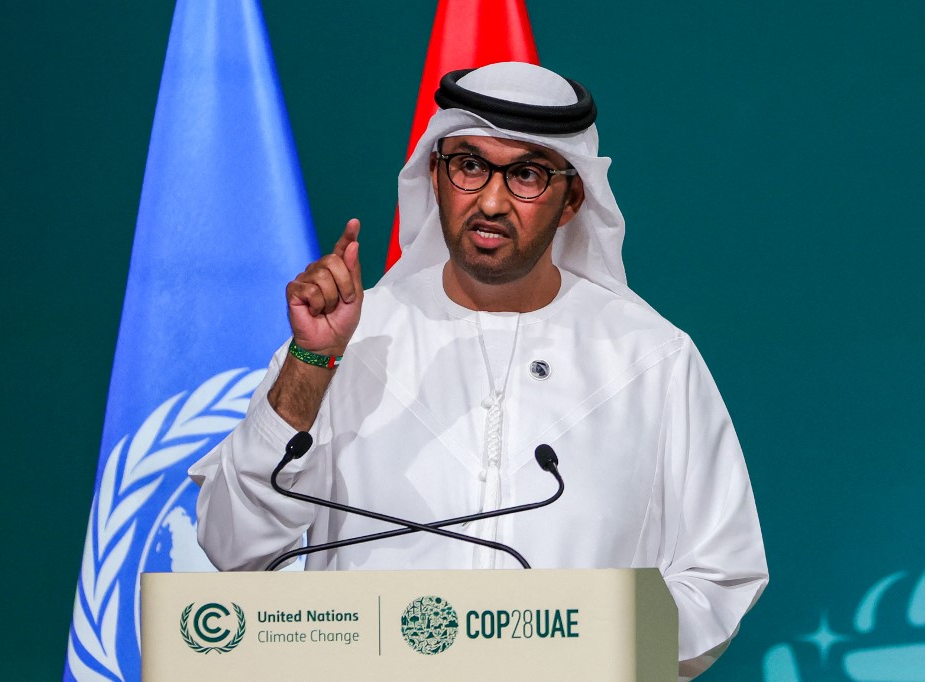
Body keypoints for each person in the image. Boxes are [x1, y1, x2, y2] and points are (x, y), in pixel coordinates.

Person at [189, 62, 768, 678]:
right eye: (469, 165)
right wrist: (310, 363)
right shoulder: (347, 342)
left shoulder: (650, 359)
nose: (491, 201)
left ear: (572, 197)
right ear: (435, 176)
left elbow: (721, 574)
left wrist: (592, 641)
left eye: (525, 174)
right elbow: (235, 549)